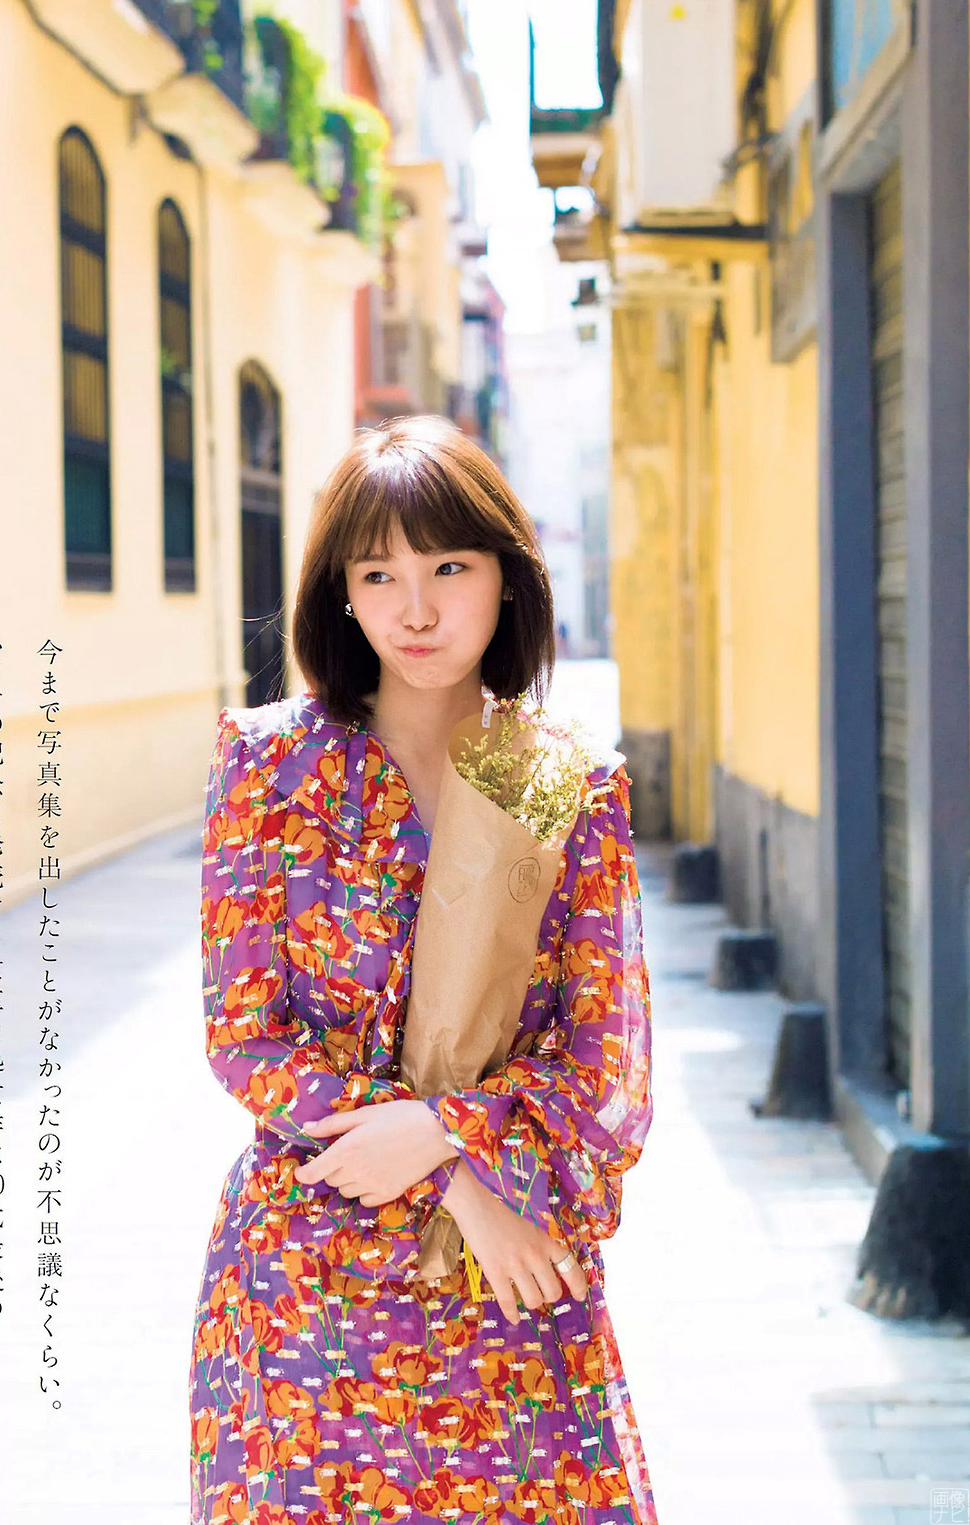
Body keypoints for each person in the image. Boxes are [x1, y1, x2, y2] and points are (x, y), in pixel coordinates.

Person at [188, 415, 656, 1525]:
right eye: (377, 574)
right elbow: (245, 1036)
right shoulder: (270, 766)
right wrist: (450, 1175)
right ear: (342, 596)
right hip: (312, 1280)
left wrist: (451, 1133)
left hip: (508, 1278)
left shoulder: (557, 781)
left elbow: (607, 1065)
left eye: (449, 567)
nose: (415, 608)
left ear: (506, 577)